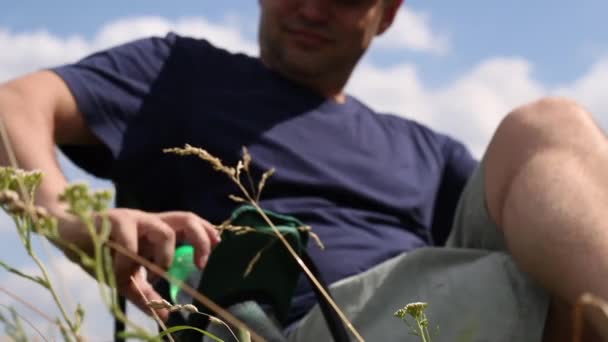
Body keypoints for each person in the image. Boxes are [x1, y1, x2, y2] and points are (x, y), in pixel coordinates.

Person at [1, 0, 607, 340]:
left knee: (549, 125)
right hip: (289, 326)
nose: (314, 7)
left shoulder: (429, 149)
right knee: (521, 283)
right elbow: (13, 106)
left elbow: (560, 222)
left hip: (436, 304)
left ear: (387, 14)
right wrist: (64, 217)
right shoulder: (178, 74)